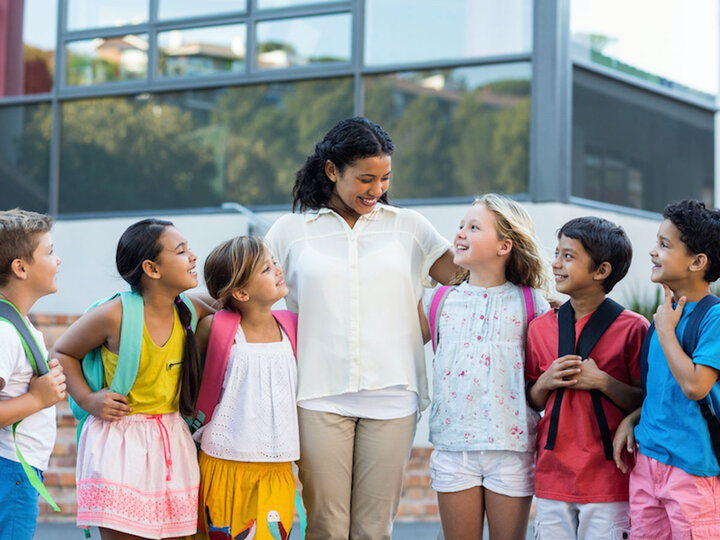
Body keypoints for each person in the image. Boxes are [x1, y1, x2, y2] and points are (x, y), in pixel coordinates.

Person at [264, 116, 456, 540]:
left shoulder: (410, 227)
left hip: (392, 397)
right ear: (332, 171)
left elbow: (465, 280)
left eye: (384, 178)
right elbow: (247, 293)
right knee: (327, 528)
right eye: (365, 178)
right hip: (318, 394)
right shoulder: (290, 232)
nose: (376, 190)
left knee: (373, 531)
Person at [53, 218, 214, 539]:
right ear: (152, 269)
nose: (194, 257)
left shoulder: (191, 310)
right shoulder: (115, 314)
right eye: (181, 251)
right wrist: (87, 398)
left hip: (171, 439)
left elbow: (229, 301)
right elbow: (62, 352)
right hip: (119, 443)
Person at [421, 194, 552, 540]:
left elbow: (540, 380)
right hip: (453, 449)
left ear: (504, 245)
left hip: (511, 449)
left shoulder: (533, 303)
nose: (461, 233)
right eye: (461, 225)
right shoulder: (437, 299)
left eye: (474, 227)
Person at [526, 216, 647, 539]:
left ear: (601, 271)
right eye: (557, 253)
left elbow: (645, 399)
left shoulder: (634, 328)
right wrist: (545, 382)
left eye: (568, 256)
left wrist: (602, 382)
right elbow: (531, 398)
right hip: (552, 475)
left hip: (610, 478)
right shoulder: (540, 327)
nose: (556, 264)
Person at [613, 200, 720, 539]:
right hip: (647, 463)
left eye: (664, 244)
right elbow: (661, 393)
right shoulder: (663, 318)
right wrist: (633, 420)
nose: (652, 252)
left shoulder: (711, 318)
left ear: (697, 262)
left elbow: (694, 386)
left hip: (691, 470)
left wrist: (666, 330)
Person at [192, 236, 299, 540]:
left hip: (277, 467)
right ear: (240, 291)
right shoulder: (215, 328)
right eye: (266, 269)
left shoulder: (292, 326)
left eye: (274, 263)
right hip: (223, 462)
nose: (278, 270)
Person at [0, 209, 67, 540]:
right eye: (51, 252)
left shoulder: (15, 324)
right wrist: (38, 398)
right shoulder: (4, 331)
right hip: (10, 471)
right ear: (20, 268)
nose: (58, 261)